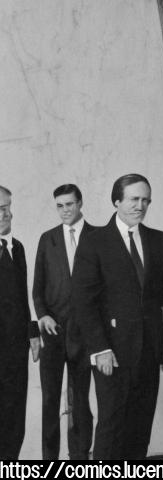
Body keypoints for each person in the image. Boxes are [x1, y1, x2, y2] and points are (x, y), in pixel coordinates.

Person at [72, 173, 163, 459]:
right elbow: (83, 302)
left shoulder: (162, 241)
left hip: (149, 351)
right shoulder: (94, 242)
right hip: (112, 353)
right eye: (134, 199)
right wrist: (100, 348)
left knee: (140, 428)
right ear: (116, 201)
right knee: (111, 426)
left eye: (146, 200)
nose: (140, 206)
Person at [33, 183, 95, 460]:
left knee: (80, 398)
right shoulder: (48, 239)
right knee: (49, 399)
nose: (65, 210)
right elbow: (37, 287)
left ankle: (79, 457)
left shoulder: (98, 237)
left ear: (80, 203)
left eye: (69, 204)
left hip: (85, 332)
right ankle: (50, 459)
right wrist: (43, 314)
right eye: (60, 205)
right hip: (53, 331)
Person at [0, 186, 41, 459]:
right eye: (1, 209)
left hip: (15, 352)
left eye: (8, 207)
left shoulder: (18, 248)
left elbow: (22, 298)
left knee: (14, 418)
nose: (8, 214)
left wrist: (33, 333)